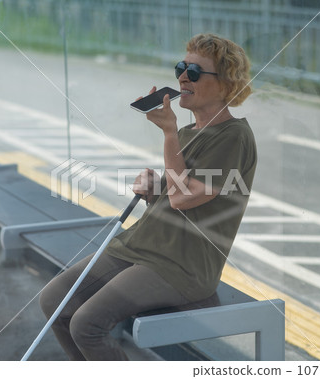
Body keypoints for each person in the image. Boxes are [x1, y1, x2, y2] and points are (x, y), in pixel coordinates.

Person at [39, 33, 257, 361]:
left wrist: (169, 135)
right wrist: (155, 190)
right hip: (141, 246)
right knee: (54, 300)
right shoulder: (187, 133)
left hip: (182, 264)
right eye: (181, 68)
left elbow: (184, 199)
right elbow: (178, 196)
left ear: (226, 83)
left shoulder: (234, 136)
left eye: (194, 72)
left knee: (87, 323)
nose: (183, 77)